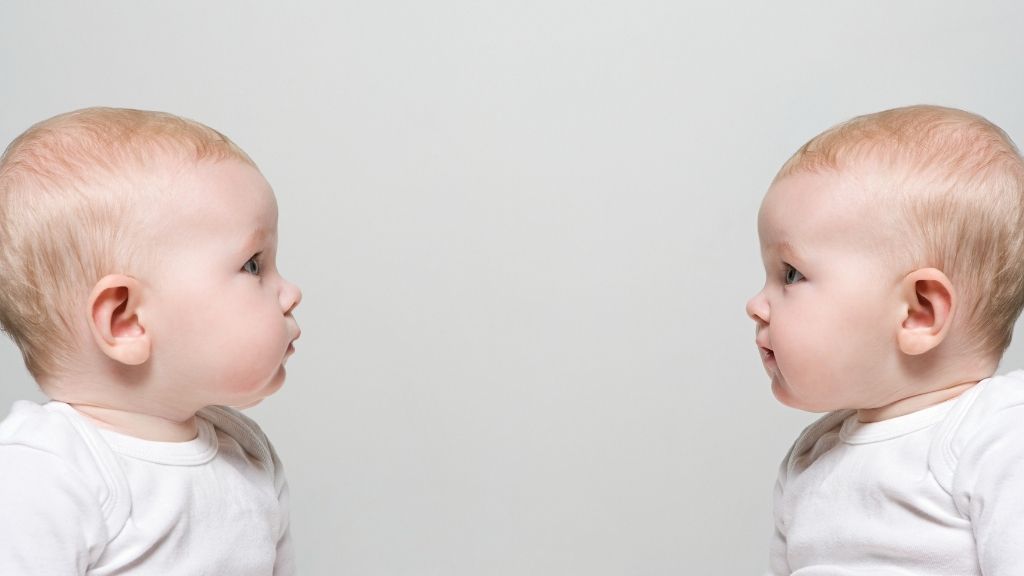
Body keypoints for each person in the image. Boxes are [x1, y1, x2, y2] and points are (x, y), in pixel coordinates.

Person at [0, 107, 302, 574]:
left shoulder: (245, 451)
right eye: (253, 265)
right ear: (126, 320)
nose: (291, 293)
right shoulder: (48, 472)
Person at [746, 105, 1024, 575]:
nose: (756, 304)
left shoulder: (995, 436)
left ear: (918, 311)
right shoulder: (812, 456)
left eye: (791, 274)